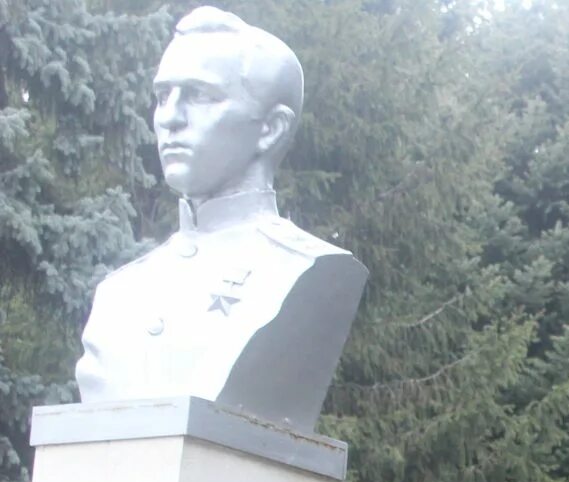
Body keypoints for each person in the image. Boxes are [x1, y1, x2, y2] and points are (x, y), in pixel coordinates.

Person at [75, 7, 366, 431]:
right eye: (162, 96)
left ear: (270, 129)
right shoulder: (119, 293)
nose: (170, 118)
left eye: (200, 95)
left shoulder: (307, 269)